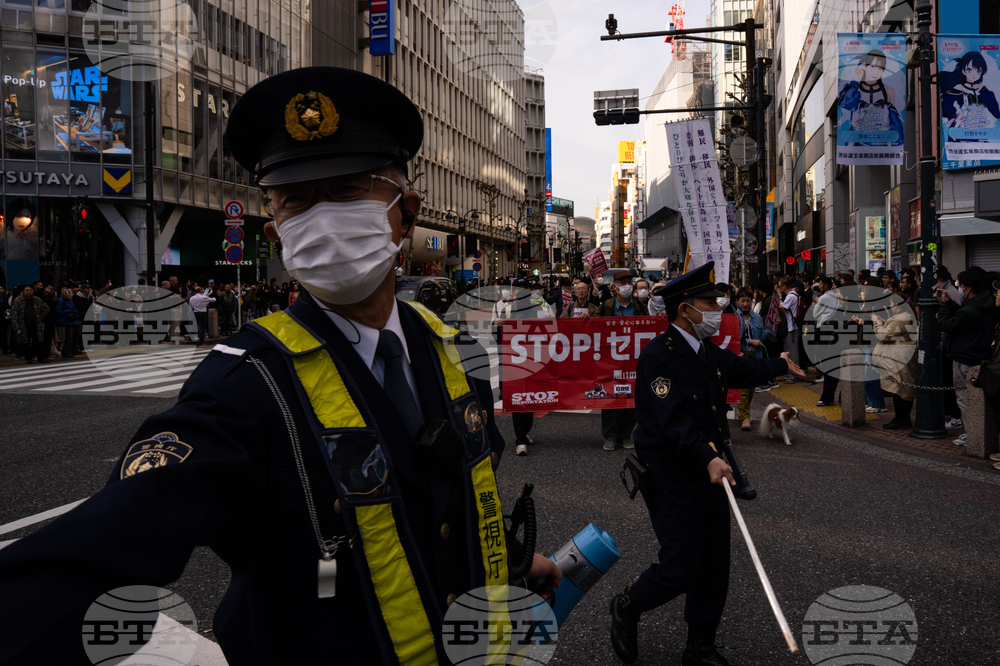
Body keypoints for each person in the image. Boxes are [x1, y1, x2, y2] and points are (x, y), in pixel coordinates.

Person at [0, 66, 561, 666]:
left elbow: (450, 491)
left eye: (347, 190)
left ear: (406, 214)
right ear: (277, 232)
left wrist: (511, 553)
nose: (321, 218)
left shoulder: (450, 349)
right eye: (297, 201)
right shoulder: (244, 383)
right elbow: (100, 551)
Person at [609, 262, 804, 665]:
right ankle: (626, 606)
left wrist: (780, 364)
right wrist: (707, 457)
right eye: (710, 303)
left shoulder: (707, 351)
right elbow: (672, 420)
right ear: (685, 309)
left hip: (715, 471)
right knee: (680, 565)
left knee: (714, 564)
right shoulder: (657, 358)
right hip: (675, 474)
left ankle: (700, 647)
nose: (718, 309)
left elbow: (742, 369)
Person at [938, 270, 995, 446]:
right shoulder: (984, 302)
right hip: (978, 354)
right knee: (975, 397)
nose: (958, 287)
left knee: (964, 397)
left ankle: (972, 434)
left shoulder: (971, 308)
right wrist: (951, 304)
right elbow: (964, 318)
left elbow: (949, 324)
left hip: (964, 355)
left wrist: (943, 308)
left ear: (969, 287)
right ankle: (976, 433)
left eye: (960, 285)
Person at [597, 268, 649, 451]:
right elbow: (591, 329)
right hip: (610, 359)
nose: (626, 287)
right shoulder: (606, 307)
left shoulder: (641, 308)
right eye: (622, 283)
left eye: (629, 283)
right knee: (610, 394)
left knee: (631, 395)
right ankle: (610, 435)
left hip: (634, 359)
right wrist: (586, 319)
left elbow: (650, 329)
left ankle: (626, 434)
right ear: (614, 287)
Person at [870, 290, 919, 430]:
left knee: (900, 391)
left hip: (899, 361)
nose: (890, 306)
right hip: (900, 360)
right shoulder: (904, 317)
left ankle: (902, 419)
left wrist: (877, 323)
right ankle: (901, 418)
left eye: (891, 303)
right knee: (900, 389)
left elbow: (885, 335)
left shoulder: (902, 319)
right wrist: (883, 321)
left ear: (897, 304)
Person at [735, 287, 766, 431]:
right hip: (741, 354)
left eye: (748, 301)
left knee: (752, 385)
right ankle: (745, 416)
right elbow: (735, 339)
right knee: (743, 387)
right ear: (737, 302)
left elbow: (763, 334)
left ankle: (746, 413)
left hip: (756, 355)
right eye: (743, 301)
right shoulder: (734, 317)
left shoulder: (757, 317)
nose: (746, 304)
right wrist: (750, 342)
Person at [12, 285, 49, 364]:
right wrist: (15, 325)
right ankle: (28, 357)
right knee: (25, 342)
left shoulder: (36, 299)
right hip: (23, 324)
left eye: (30, 290)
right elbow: (14, 313)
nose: (29, 292)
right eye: (27, 290)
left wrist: (40, 317)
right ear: (23, 291)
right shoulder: (18, 300)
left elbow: (46, 308)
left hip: (36, 323)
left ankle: (39, 357)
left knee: (38, 340)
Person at [776, 276, 801, 380]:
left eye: (780, 286)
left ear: (784, 286)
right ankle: (794, 373)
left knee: (791, 351)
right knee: (793, 350)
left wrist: (780, 296)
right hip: (794, 326)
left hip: (791, 327)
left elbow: (782, 307)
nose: (778, 288)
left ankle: (793, 375)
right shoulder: (795, 294)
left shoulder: (791, 296)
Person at [55, 287, 81, 359]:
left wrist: (75, 312)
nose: (72, 294)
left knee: (71, 337)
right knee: (68, 338)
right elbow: (58, 311)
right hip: (67, 321)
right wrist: (68, 311)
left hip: (73, 320)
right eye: (71, 293)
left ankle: (66, 352)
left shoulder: (70, 301)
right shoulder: (62, 301)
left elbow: (73, 309)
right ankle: (67, 353)